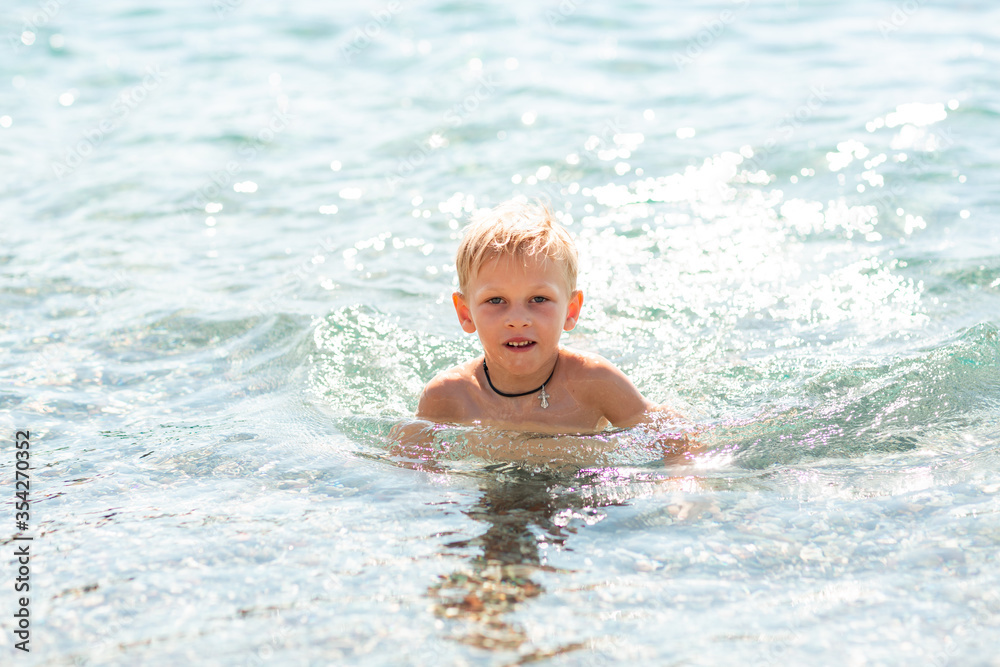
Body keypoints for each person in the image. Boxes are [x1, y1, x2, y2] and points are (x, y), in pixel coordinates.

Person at [413, 199, 684, 436]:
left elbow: (671, 435)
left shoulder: (595, 383)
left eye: (539, 299)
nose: (518, 319)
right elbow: (410, 477)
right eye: (496, 300)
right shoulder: (448, 397)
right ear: (465, 314)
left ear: (571, 310)